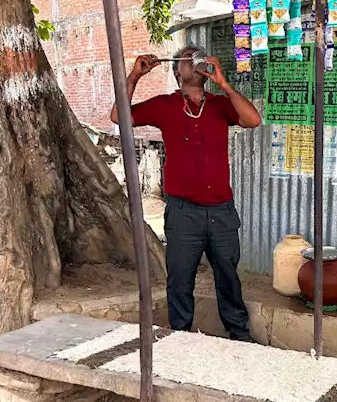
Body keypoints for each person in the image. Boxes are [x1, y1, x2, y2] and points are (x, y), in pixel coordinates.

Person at [112, 47, 263, 341]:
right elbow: (119, 115)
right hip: (183, 213)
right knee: (180, 280)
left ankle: (239, 335)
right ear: (177, 71)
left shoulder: (220, 104)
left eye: (200, 56)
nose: (195, 61)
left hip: (221, 211)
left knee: (228, 277)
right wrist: (135, 76)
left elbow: (253, 120)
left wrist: (224, 84)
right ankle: (180, 337)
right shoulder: (165, 105)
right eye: (188, 58)